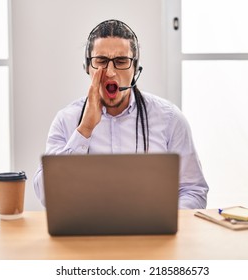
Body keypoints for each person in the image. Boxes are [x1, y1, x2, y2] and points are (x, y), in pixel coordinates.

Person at [33, 19, 208, 209]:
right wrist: (85, 130)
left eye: (121, 61)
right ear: (87, 67)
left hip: (151, 235)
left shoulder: (170, 119)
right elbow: (46, 194)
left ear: (135, 69)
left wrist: (164, 224)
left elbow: (193, 190)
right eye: (101, 61)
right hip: (86, 236)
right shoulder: (66, 120)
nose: (110, 72)